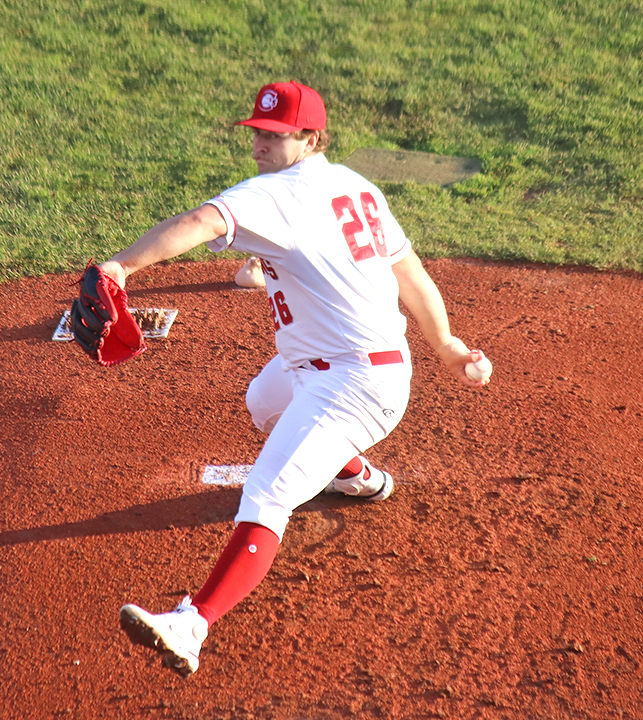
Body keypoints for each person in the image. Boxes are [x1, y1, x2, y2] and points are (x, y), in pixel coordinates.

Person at [104, 81, 488, 677]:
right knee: (264, 403)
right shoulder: (357, 186)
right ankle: (358, 476)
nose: (259, 143)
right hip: (321, 368)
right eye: (256, 131)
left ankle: (192, 624)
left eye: (274, 134)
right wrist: (443, 344)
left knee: (268, 493)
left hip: (356, 384)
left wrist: (122, 266)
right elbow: (408, 270)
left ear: (311, 138)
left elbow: (201, 222)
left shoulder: (275, 195)